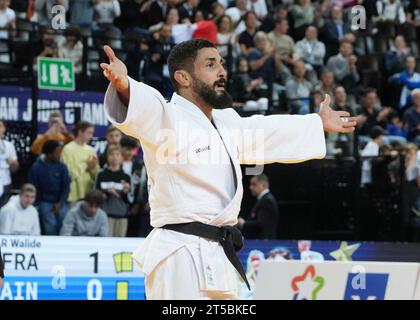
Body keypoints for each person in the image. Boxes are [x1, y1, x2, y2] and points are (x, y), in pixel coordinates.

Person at [100, 39, 356, 300]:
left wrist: (317, 123)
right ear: (183, 77)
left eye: (221, 63)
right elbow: (146, 108)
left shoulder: (226, 123)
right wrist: (124, 86)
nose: (222, 71)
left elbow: (267, 131)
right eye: (210, 65)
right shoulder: (169, 117)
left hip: (219, 254)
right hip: (179, 256)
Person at [28, 140, 70, 235]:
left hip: (60, 201)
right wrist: (39, 202)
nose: (60, 154)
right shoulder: (36, 167)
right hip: (44, 202)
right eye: (57, 152)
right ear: (49, 154)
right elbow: (34, 187)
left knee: (64, 222)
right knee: (50, 225)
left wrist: (60, 202)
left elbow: (66, 186)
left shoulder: (62, 167)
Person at [95, 145, 131, 237]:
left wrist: (125, 192)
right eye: (111, 154)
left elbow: (130, 200)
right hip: (105, 216)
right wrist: (107, 193)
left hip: (122, 216)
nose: (114, 157)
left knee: (120, 246)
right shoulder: (101, 175)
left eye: (117, 154)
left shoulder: (126, 177)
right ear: (107, 157)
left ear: (122, 158)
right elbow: (96, 196)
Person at [61, 120, 99, 204]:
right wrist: (86, 165)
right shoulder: (68, 149)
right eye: (89, 133)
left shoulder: (91, 150)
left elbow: (96, 175)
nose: (91, 136)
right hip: (72, 197)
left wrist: (92, 168)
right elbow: (69, 175)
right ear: (80, 132)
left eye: (92, 133)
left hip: (88, 196)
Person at [237, 174, 279, 239]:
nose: (250, 187)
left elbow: (261, 224)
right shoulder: (263, 199)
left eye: (254, 184)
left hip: (262, 244)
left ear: (264, 185)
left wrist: (243, 223)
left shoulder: (267, 200)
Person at [0, 120, 18, 207]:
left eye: (0, 126)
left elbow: (15, 169)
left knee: (4, 209)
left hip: (5, 181)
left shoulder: (9, 145)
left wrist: (13, 163)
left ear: (4, 129)